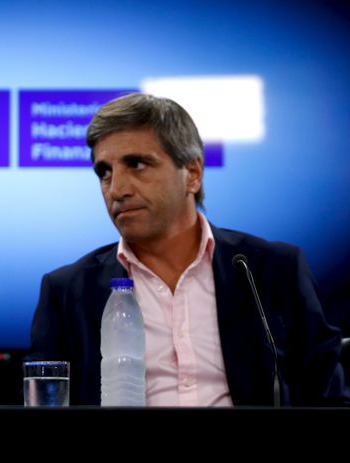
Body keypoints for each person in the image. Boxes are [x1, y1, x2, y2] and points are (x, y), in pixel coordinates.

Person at [27, 92, 348, 406]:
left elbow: (326, 398)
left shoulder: (272, 270)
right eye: (104, 172)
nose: (117, 189)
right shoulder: (67, 291)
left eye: (136, 164)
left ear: (192, 173)